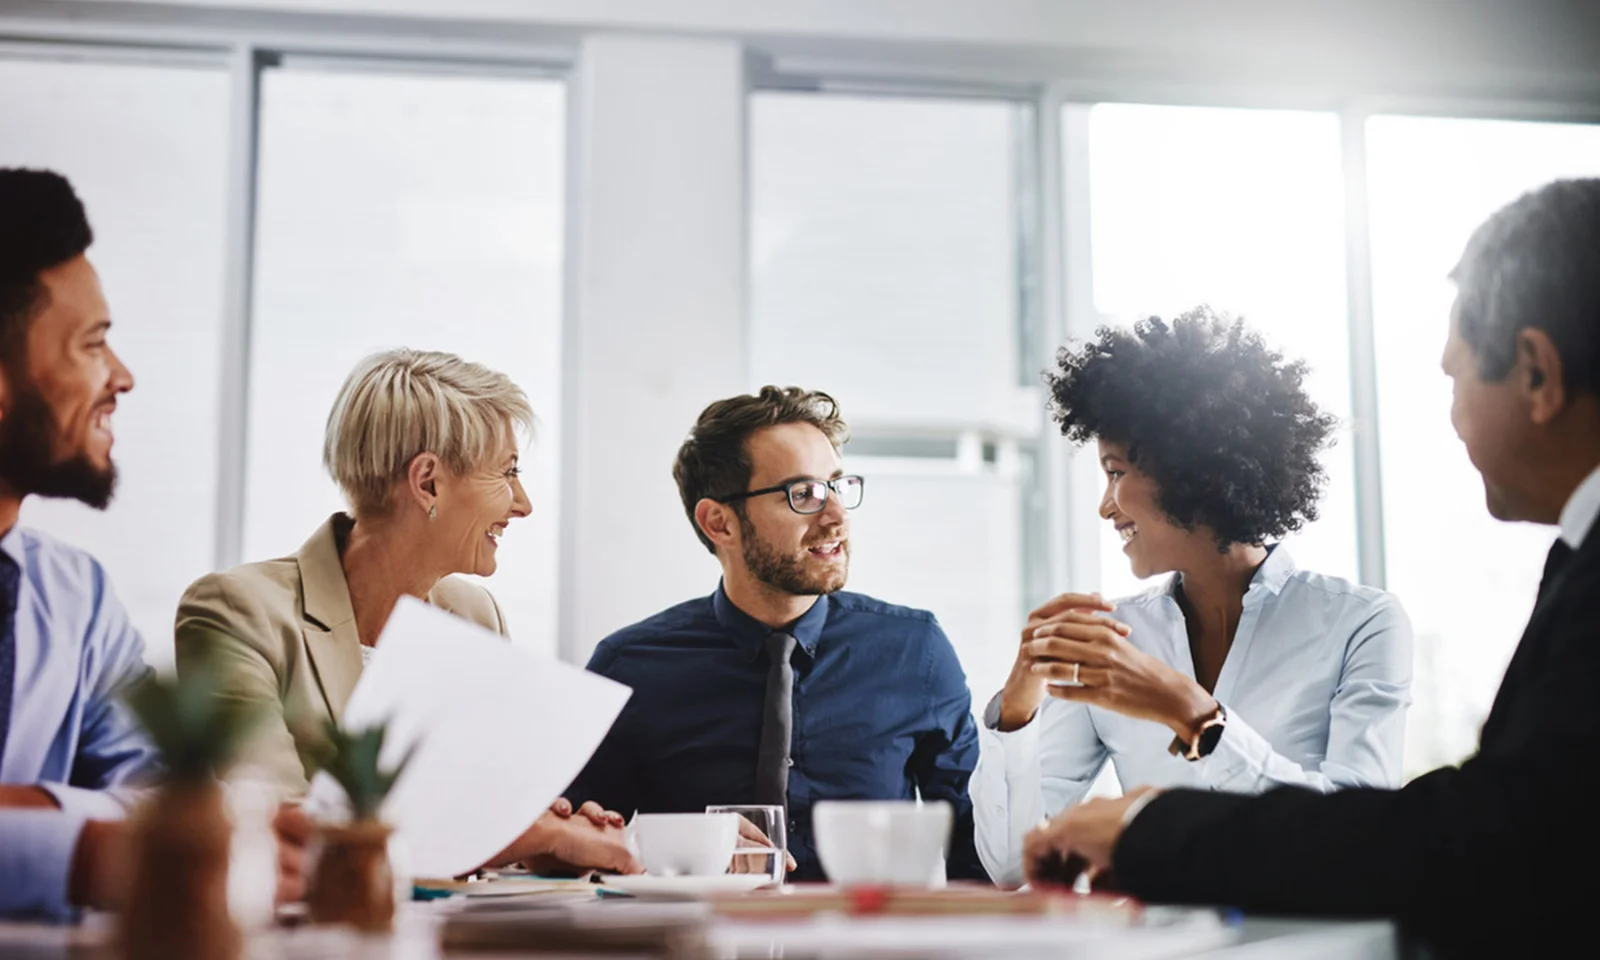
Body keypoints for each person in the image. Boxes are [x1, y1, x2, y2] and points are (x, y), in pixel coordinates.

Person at [1021, 178, 1600, 955]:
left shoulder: (1364, 619)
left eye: (1456, 374)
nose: (1454, 417)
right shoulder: (1578, 559)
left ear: (1536, 373)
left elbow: (1487, 843)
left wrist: (1154, 819)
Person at [973, 309, 1413, 884]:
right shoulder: (1115, 641)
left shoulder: (1362, 624)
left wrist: (1196, 716)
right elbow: (1012, 866)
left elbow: (1361, 842)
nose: (1105, 506)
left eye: (1115, 471)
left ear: (1193, 474)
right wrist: (1019, 703)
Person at [175, 348, 638, 875]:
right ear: (427, 482)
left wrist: (544, 846)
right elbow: (280, 832)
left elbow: (481, 826)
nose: (523, 502)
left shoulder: (475, 615)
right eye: (507, 473)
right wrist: (528, 835)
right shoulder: (238, 611)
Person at [0, 167, 308, 918]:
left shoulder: (74, 596)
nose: (123, 377)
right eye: (92, 344)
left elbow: (161, 796)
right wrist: (79, 846)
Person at [566, 386, 986, 882]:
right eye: (802, 494)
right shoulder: (630, 666)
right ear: (719, 522)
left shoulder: (915, 651)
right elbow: (573, 844)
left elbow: (977, 847)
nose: (836, 517)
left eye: (837, 486)